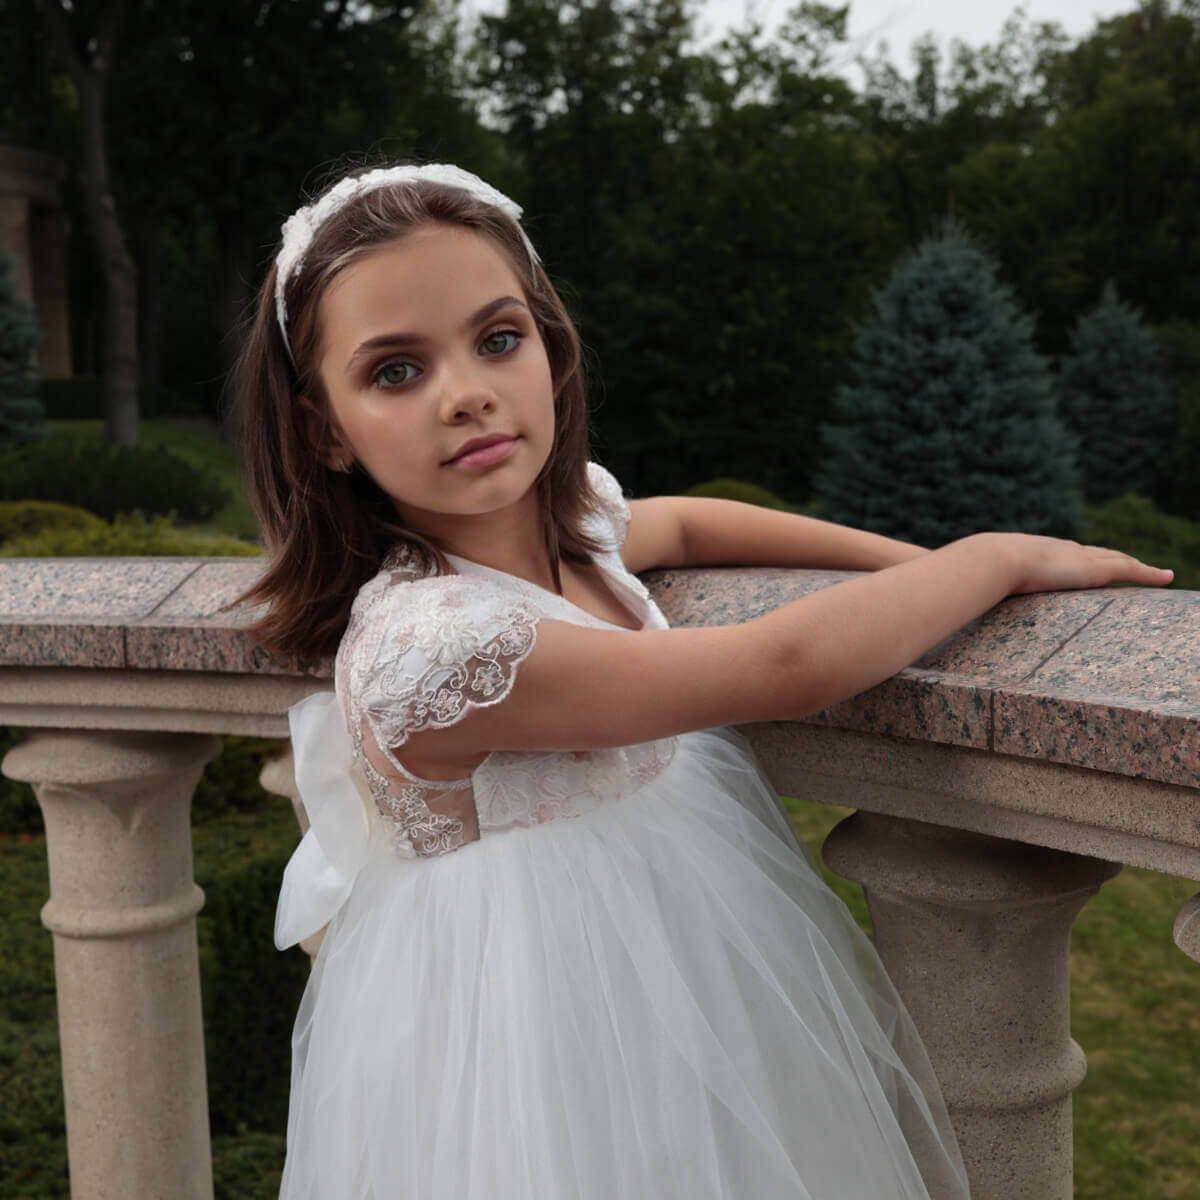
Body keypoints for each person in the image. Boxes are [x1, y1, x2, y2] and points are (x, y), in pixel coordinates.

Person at [230, 162, 1173, 1200]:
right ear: (324, 429)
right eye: (396, 372)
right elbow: (789, 666)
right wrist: (993, 558)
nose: (467, 393)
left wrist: (907, 563)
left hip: (679, 957)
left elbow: (687, 521)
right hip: (541, 1025)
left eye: (499, 339)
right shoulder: (441, 645)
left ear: (552, 349)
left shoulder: (569, 522)